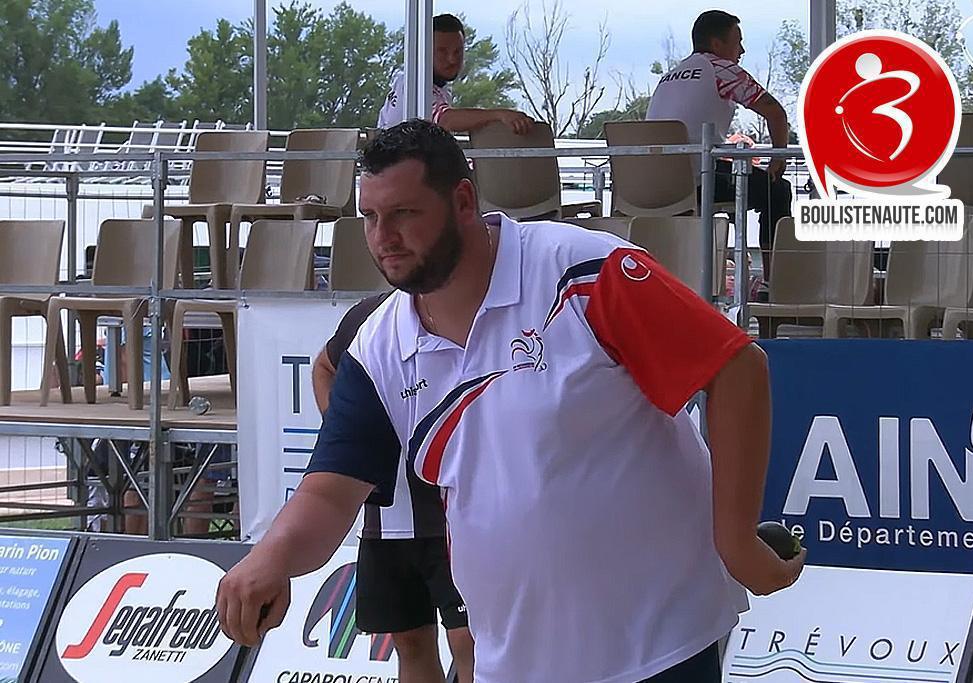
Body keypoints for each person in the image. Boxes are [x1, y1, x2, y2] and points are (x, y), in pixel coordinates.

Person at [216, 120, 805, 683]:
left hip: (659, 643)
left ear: (464, 202)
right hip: (512, 658)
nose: (382, 238)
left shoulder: (582, 271)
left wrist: (734, 539)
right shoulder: (378, 346)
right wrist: (271, 557)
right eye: (369, 217)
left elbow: (735, 368)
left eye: (403, 214)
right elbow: (328, 490)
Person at [310, 291, 475, 683]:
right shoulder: (370, 317)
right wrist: (349, 434)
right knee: (409, 642)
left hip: (457, 516)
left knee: (469, 642)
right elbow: (323, 367)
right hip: (387, 518)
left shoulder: (467, 311)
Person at [646, 9, 792, 288]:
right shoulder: (720, 69)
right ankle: (775, 284)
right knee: (777, 189)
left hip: (651, 186)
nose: (742, 50)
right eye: (738, 42)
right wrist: (778, 157)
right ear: (716, 44)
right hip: (698, 179)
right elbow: (775, 113)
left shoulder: (669, 76)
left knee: (738, 177)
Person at [377, 14, 533, 135]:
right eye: (442, 51)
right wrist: (500, 115)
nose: (452, 59)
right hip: (395, 171)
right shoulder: (412, 84)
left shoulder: (439, 87)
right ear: (422, 51)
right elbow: (446, 120)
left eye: (458, 51)